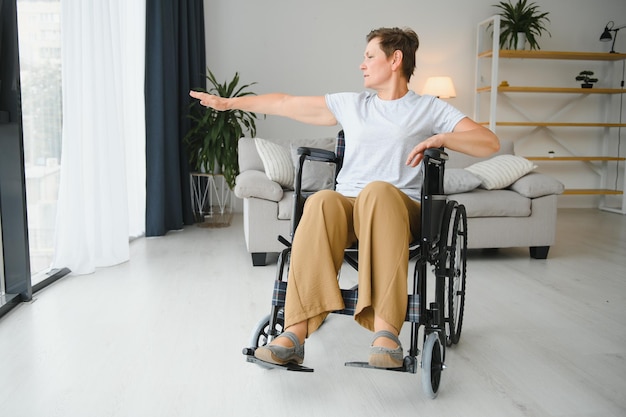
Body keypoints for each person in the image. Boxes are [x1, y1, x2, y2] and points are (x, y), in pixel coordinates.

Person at [190, 27, 499, 369]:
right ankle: (294, 333)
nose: (362, 65)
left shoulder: (428, 108)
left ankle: (386, 334)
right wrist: (230, 103)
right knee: (322, 200)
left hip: (397, 207)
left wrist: (441, 138)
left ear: (395, 59)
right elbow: (285, 102)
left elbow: (489, 143)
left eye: (369, 56)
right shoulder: (353, 105)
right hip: (349, 208)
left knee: (377, 192)